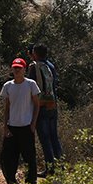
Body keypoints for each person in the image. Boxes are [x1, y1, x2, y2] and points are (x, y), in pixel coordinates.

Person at [0, 57, 41, 184]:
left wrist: (33, 124)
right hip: (12, 128)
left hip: (26, 128)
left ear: (24, 69)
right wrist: (5, 127)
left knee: (30, 160)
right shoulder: (8, 86)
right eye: (15, 68)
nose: (17, 70)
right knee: (6, 160)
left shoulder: (31, 85)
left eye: (19, 68)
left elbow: (37, 105)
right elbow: (7, 108)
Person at [27, 44, 62, 176]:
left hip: (41, 106)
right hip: (52, 104)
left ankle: (50, 168)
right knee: (54, 136)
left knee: (44, 138)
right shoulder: (51, 66)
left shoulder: (34, 67)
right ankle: (60, 165)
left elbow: (31, 87)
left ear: (35, 53)